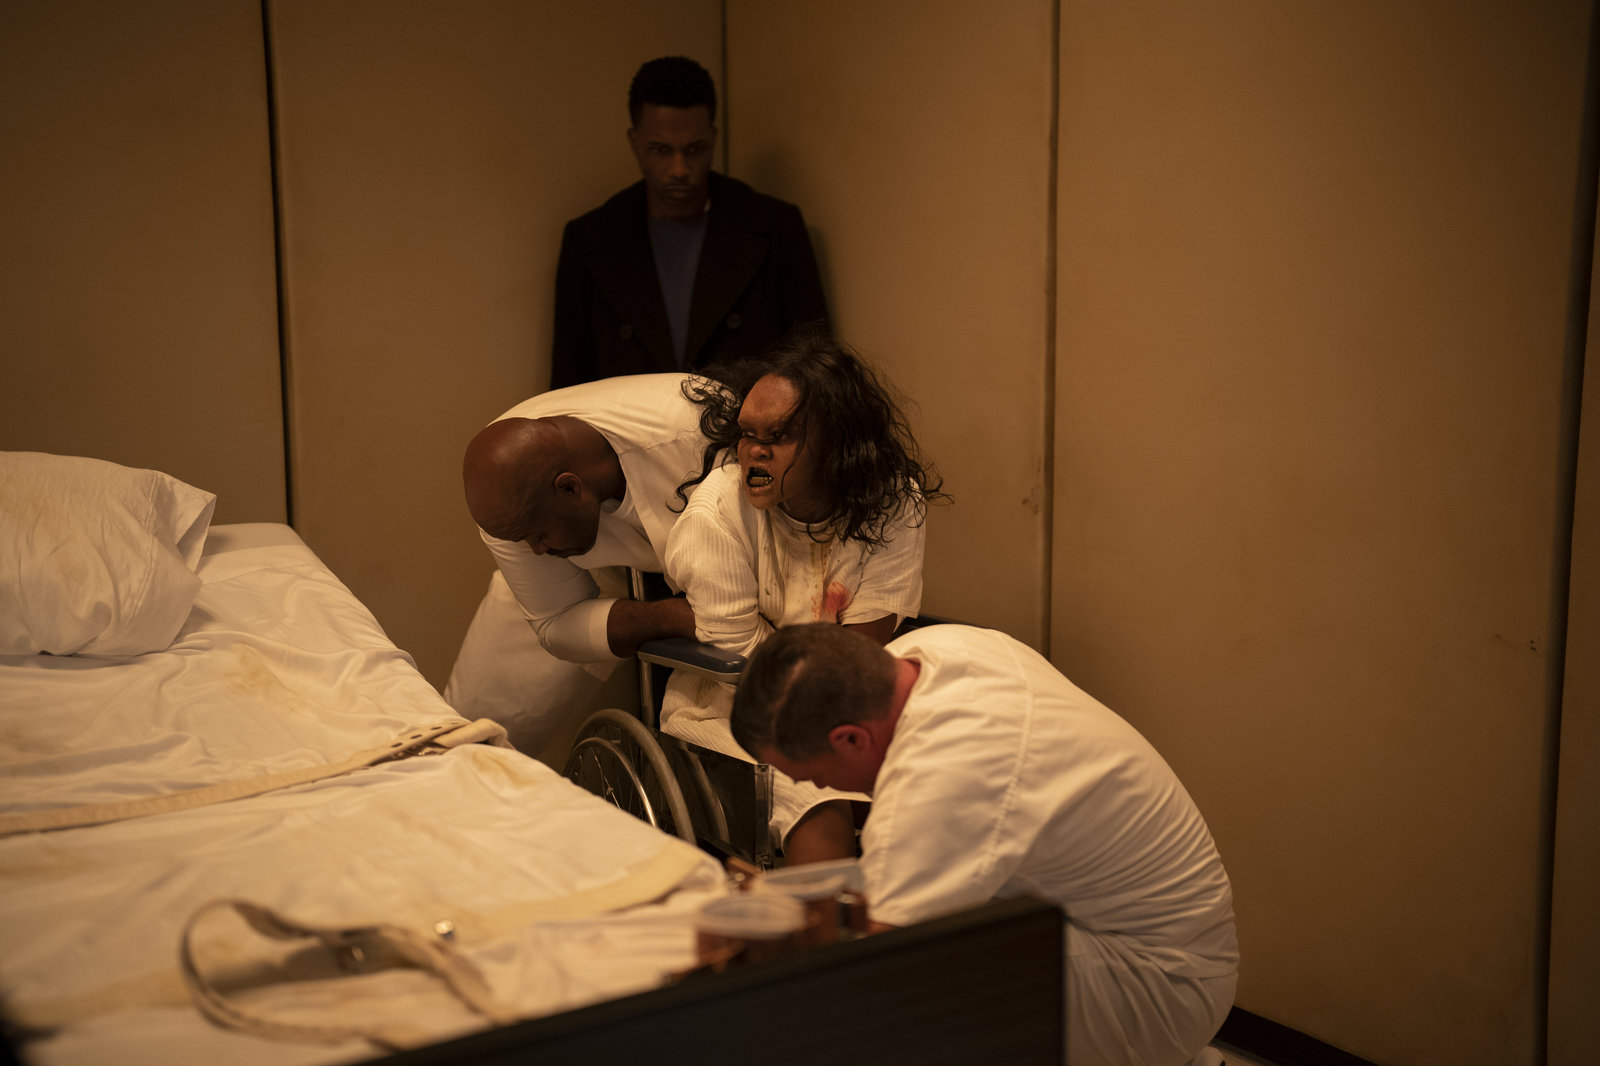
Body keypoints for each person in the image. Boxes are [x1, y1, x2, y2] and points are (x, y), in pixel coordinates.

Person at [731, 622, 1239, 1066]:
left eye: (815, 777)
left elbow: (882, 975)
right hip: (1150, 936)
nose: (821, 788)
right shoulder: (936, 651)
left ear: (850, 739)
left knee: (895, 1003)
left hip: (1160, 990)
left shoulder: (940, 777)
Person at [659, 332, 945, 864]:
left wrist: (828, 657)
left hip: (850, 692)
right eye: (747, 434)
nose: (755, 451)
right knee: (818, 792)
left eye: (780, 436)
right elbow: (747, 659)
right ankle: (826, 916)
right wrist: (825, 650)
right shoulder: (716, 513)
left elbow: (859, 653)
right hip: (729, 703)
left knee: (939, 772)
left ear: (837, 445)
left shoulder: (892, 501)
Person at [443, 374, 708, 763]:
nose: (534, 551)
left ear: (569, 488)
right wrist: (671, 617)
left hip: (693, 529)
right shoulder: (507, 491)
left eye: (537, 535)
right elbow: (554, 624)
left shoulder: (695, 441)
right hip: (582, 540)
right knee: (471, 742)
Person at [550, 55, 829, 389]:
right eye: (661, 150)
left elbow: (816, 378)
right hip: (626, 423)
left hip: (745, 421)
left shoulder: (776, 228)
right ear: (634, 142)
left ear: (713, 138)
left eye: (695, 149)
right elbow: (566, 389)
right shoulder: (590, 240)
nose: (679, 169)